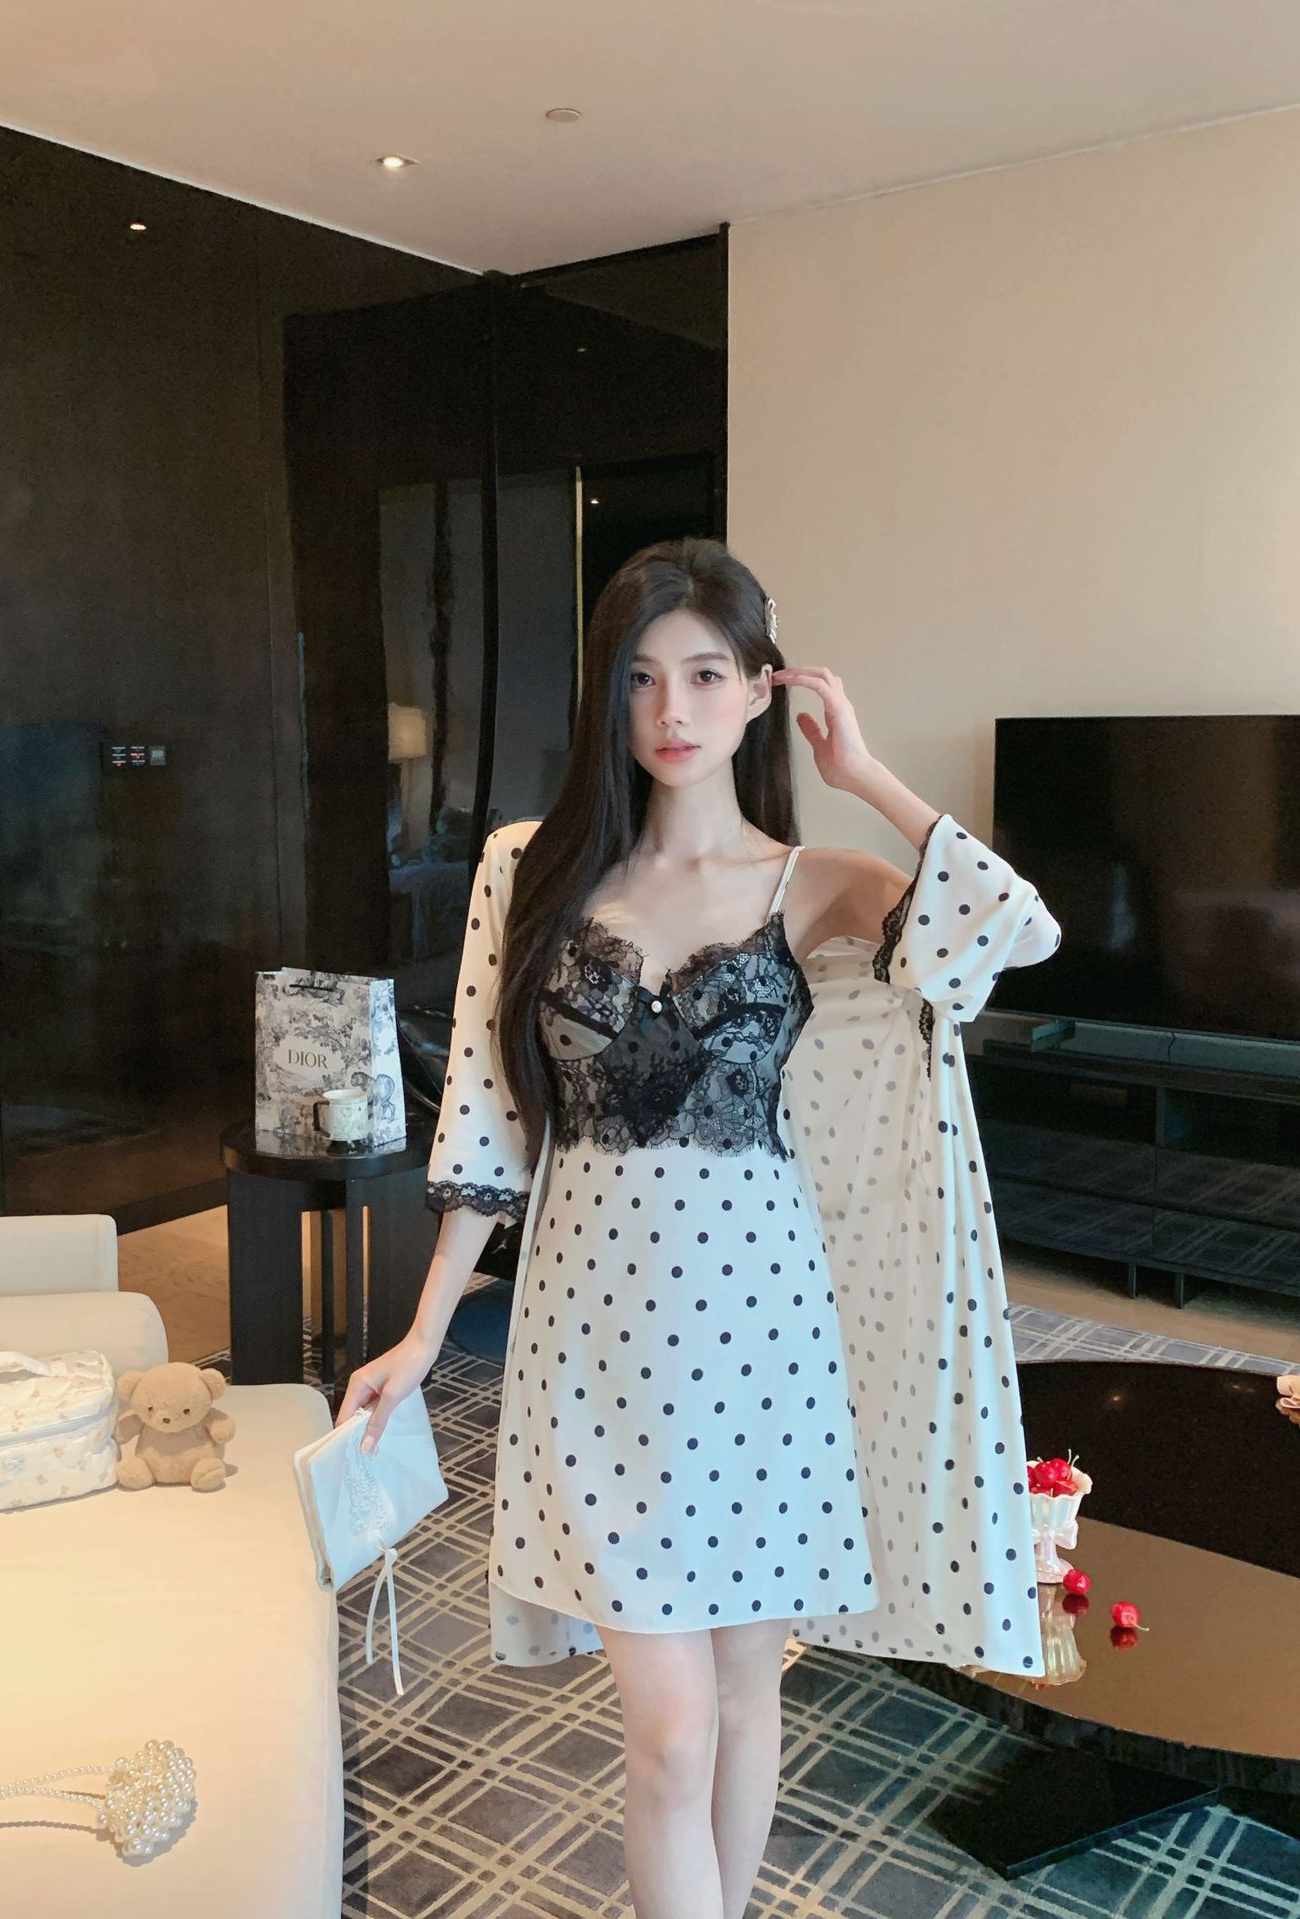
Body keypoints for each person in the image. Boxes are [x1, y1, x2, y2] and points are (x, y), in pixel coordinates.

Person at [334, 537, 1061, 1919]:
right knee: (669, 1734)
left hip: (767, 1347)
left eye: (708, 675)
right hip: (595, 1345)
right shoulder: (527, 870)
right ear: (608, 693)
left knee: (740, 1700)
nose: (673, 709)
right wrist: (425, 1335)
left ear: (759, 690)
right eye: (641, 677)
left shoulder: (815, 881)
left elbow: (1017, 932)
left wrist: (865, 774)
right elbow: (489, 1120)